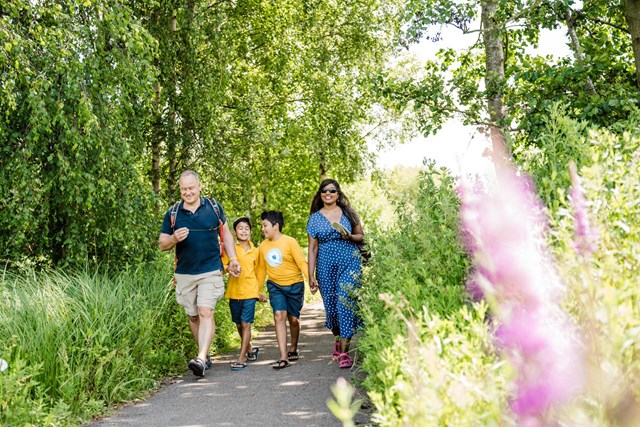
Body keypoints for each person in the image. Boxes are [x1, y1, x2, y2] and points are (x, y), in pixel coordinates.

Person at [158, 170, 241, 378]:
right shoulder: (173, 213)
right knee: (193, 317)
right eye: (184, 189)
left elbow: (226, 235)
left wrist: (233, 260)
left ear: (199, 186)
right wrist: (174, 239)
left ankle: (201, 358)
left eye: (191, 188)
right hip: (185, 273)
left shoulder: (213, 208)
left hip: (211, 270)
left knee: (206, 311)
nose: (188, 192)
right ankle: (204, 355)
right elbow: (162, 244)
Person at [306, 179, 364, 369]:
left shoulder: (349, 212)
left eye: (332, 190)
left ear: (338, 193)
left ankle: (345, 353)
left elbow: (361, 237)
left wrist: (349, 236)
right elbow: (312, 248)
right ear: (320, 194)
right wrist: (311, 275)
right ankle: (338, 340)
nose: (328, 193)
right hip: (325, 265)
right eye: (324, 191)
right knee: (331, 308)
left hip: (350, 260)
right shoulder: (314, 218)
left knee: (345, 301)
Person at [255, 210, 309, 370]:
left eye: (265, 225)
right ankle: (283, 356)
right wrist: (256, 290)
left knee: (294, 319)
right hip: (275, 286)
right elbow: (261, 270)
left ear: (275, 226)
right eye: (262, 226)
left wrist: (312, 281)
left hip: (295, 285)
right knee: (279, 315)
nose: (263, 229)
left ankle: (293, 347)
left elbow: (301, 262)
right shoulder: (262, 247)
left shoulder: (290, 242)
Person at [221, 217, 268, 371]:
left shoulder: (256, 251)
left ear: (250, 231)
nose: (243, 231)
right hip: (234, 292)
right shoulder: (230, 249)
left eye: (246, 228)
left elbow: (259, 272)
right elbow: (223, 267)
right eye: (240, 228)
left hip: (250, 292)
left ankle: (241, 358)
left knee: (246, 323)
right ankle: (249, 349)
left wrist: (258, 292)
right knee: (239, 324)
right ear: (234, 232)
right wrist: (228, 269)